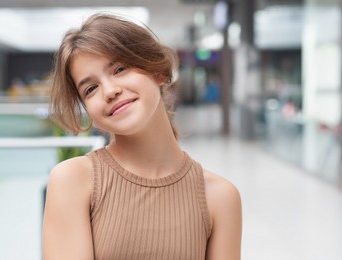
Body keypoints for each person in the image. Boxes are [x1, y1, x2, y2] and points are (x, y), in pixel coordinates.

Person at [42, 13, 242, 260]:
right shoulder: (73, 181)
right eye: (90, 88)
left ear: (157, 70)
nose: (110, 91)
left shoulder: (220, 197)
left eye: (120, 69)